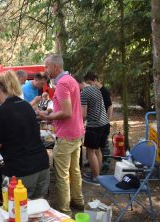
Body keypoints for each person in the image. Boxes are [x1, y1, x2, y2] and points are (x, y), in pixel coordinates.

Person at [0, 71, 50, 199]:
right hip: (42, 165)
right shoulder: (26, 105)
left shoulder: (0, 112)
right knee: (37, 210)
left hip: (21, 172)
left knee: (19, 211)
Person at [37, 54, 85, 216]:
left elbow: (66, 112)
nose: (45, 71)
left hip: (66, 135)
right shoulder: (71, 80)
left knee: (62, 174)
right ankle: (78, 201)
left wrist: (47, 117)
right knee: (75, 170)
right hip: (76, 132)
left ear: (55, 67)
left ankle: (65, 210)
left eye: (47, 67)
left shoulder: (63, 83)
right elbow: (67, 107)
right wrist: (51, 112)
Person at [76, 76, 110, 185]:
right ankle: (97, 174)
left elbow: (84, 114)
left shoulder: (84, 93)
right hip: (104, 123)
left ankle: (95, 177)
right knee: (97, 150)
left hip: (94, 125)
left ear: (78, 83)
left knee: (90, 152)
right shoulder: (95, 88)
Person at [84, 71, 113, 173]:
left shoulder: (103, 91)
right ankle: (95, 167)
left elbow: (110, 106)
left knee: (103, 148)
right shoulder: (95, 90)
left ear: (95, 80)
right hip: (99, 122)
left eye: (90, 83)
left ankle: (104, 167)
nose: (89, 85)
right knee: (96, 149)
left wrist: (107, 120)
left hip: (101, 123)